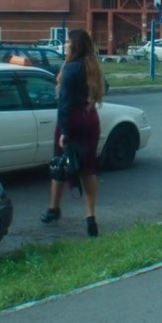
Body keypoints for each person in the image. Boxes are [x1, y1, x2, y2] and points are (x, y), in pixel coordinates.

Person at [40, 29, 106, 237]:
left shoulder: (70, 68)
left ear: (74, 45)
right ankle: (90, 217)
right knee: (88, 169)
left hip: (72, 121)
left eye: (67, 42)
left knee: (60, 163)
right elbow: (105, 87)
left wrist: (65, 132)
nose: (65, 45)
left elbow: (65, 102)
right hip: (90, 120)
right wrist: (92, 99)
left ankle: (54, 208)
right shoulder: (93, 66)